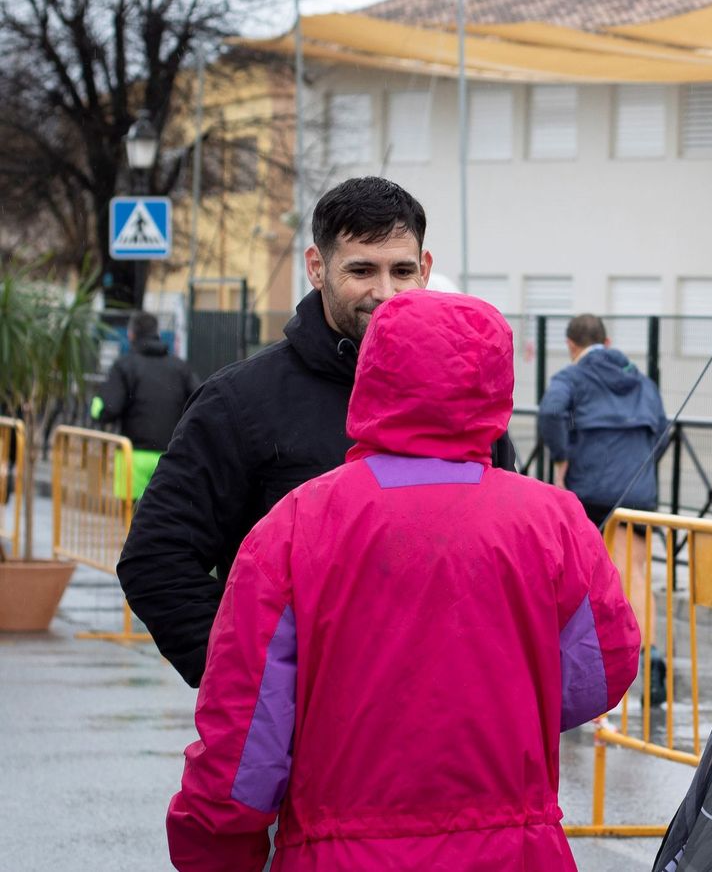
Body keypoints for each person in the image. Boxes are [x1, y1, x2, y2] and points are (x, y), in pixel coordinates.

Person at [166, 290, 640, 871]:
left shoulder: (296, 523)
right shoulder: (553, 520)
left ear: (373, 373)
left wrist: (214, 850)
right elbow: (606, 665)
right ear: (497, 384)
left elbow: (243, 736)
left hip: (338, 851)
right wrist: (503, 704)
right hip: (516, 850)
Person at [118, 177, 516, 687]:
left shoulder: (467, 396)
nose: (385, 293)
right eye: (361, 270)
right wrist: (264, 681)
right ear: (316, 268)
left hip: (450, 724)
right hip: (304, 742)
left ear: (427, 269)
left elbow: (507, 554)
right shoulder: (240, 401)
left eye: (402, 270)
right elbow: (157, 559)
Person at [537, 313, 670, 702]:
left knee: (580, 576)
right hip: (637, 491)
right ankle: (651, 662)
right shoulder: (641, 379)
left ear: (571, 346)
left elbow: (550, 413)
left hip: (588, 489)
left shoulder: (572, 376)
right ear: (608, 342)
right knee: (637, 575)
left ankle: (582, 667)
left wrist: (563, 458)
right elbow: (661, 429)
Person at [91, 311, 199, 500]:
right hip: (170, 458)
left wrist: (96, 409)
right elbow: (199, 403)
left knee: (133, 521)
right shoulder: (180, 367)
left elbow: (108, 408)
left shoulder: (124, 366)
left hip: (133, 456)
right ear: (157, 332)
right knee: (164, 519)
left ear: (131, 334)